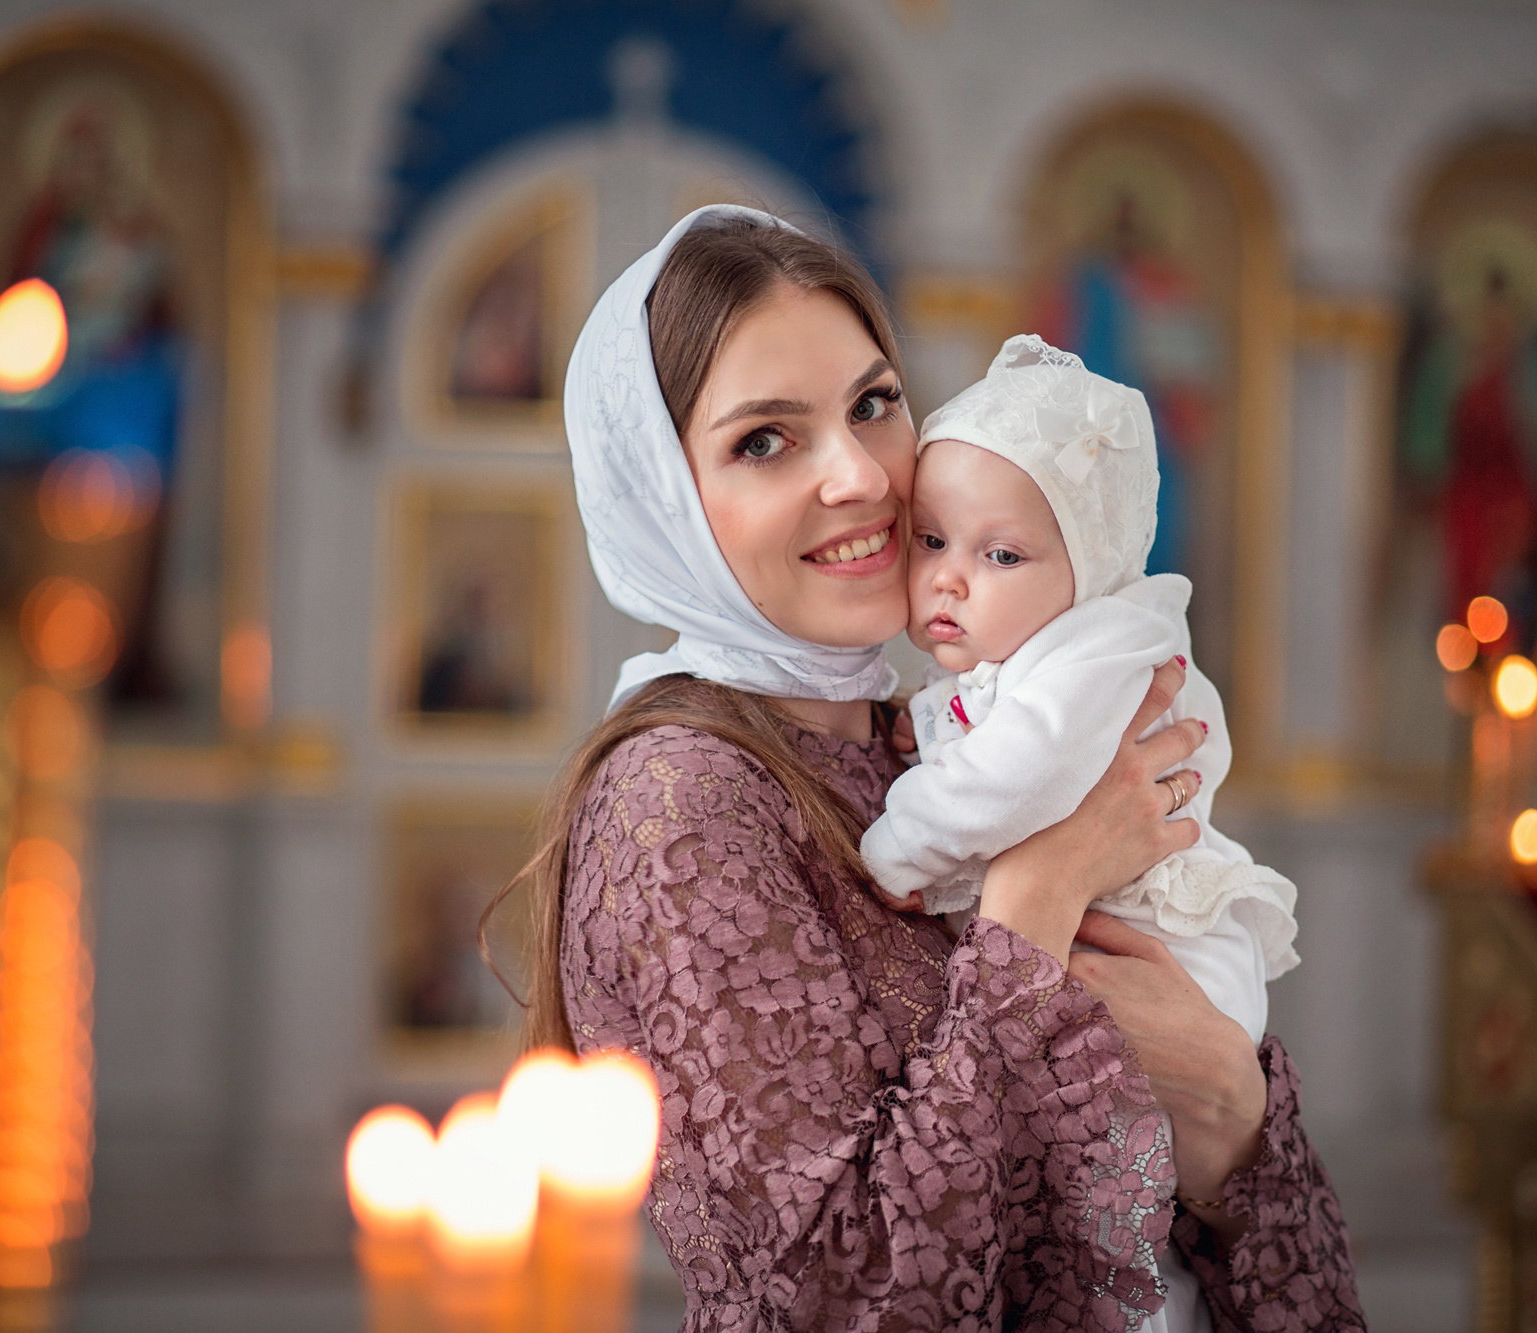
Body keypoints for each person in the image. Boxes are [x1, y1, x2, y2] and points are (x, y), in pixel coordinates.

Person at [511, 205, 1362, 1331]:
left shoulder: (925, 728)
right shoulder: (681, 802)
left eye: (873, 404)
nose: (860, 476)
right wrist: (1037, 898)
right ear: (660, 497)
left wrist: (1230, 1114)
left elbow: (1213, 1144)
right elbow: (837, 1299)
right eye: (765, 439)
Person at [859, 333, 1303, 1331]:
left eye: (999, 553)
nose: (948, 579)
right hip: (1094, 937)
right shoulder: (995, 663)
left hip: (1170, 946)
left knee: (1113, 1200)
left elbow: (1012, 780)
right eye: (929, 540)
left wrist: (895, 848)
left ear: (1088, 560)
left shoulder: (1102, 647)